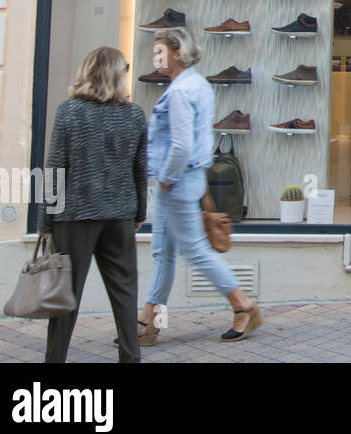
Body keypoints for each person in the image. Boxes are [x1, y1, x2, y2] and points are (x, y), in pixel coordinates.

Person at [139, 27, 262, 342]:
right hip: (188, 177)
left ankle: (242, 305)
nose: (155, 57)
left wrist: (165, 179)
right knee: (163, 251)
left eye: (160, 51)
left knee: (192, 249)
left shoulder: (180, 91)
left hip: (176, 180)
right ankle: (147, 320)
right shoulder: (199, 84)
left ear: (178, 52)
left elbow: (180, 145)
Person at [39, 47, 148, 363]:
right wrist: (139, 213)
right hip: (119, 215)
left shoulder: (69, 111)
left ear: (86, 72)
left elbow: (54, 168)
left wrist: (45, 221)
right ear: (118, 76)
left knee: (65, 294)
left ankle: (55, 359)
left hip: (75, 217)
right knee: (125, 292)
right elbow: (140, 169)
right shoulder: (134, 114)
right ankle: (131, 355)